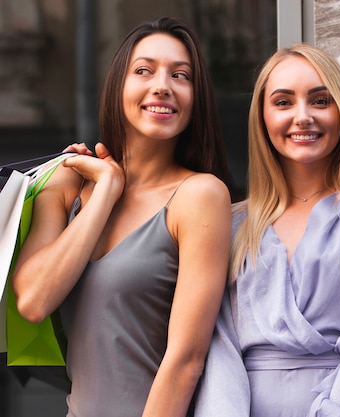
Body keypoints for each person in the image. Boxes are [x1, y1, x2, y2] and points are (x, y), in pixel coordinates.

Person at [11, 17, 232, 417]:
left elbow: (186, 360)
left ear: (195, 98)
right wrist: (107, 191)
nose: (162, 85)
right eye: (143, 70)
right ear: (118, 87)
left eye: (180, 75)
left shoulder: (200, 196)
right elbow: (33, 300)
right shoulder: (69, 181)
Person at [194, 43, 340, 416]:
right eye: (283, 102)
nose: (302, 117)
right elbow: (218, 347)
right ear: (262, 117)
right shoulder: (233, 222)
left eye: (320, 100)